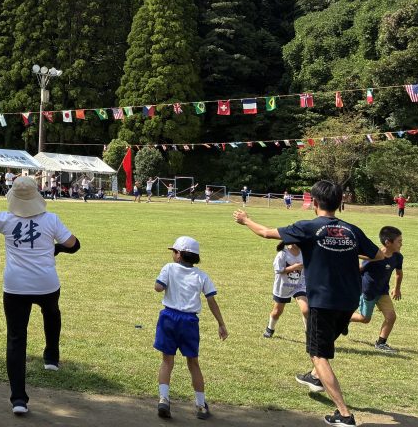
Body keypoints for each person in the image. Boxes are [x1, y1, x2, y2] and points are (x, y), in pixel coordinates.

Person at [233, 180, 380, 427]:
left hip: (324, 301)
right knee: (325, 341)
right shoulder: (352, 230)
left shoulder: (309, 228)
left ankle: (344, 414)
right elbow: (376, 254)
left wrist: (246, 220)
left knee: (318, 354)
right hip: (348, 300)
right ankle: (314, 378)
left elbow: (267, 233)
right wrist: (345, 249)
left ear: (315, 202)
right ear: (338, 203)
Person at [0, 174, 79, 415]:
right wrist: (54, 249)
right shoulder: (51, 219)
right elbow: (74, 245)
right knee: (52, 312)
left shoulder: (5, 219)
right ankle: (51, 356)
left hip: (15, 286)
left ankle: (18, 399)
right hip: (46, 283)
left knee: (16, 339)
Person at [153, 236, 227, 421]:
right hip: (189, 322)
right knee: (193, 363)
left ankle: (164, 399)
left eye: (174, 251)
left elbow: (158, 288)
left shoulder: (169, 268)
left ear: (179, 255)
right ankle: (201, 405)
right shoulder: (202, 276)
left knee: (167, 361)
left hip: (169, 317)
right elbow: (211, 300)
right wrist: (221, 323)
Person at [350, 226, 403, 352]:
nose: (402, 244)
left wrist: (397, 289)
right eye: (399, 241)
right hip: (369, 292)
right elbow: (359, 269)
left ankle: (381, 343)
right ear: (388, 243)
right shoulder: (375, 256)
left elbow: (399, 273)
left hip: (383, 291)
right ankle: (344, 318)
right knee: (365, 319)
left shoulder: (398, 257)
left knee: (391, 317)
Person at [264, 243, 308, 338]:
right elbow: (278, 270)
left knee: (306, 310)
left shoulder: (304, 253)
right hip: (283, 286)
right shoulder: (283, 254)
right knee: (277, 312)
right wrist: (294, 267)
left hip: (299, 286)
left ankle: (310, 335)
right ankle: (270, 328)